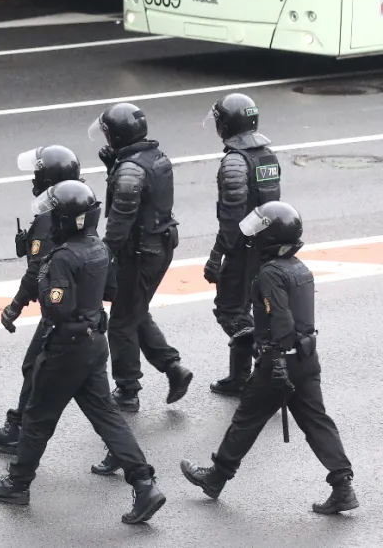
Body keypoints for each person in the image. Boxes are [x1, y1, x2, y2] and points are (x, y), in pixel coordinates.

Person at [0, 179, 167, 526]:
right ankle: (144, 483)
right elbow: (110, 290)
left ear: (67, 220)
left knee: (37, 417)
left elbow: (58, 309)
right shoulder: (99, 248)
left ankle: (18, 483)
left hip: (65, 347)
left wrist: (43, 280)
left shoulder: (62, 257)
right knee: (107, 417)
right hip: (95, 343)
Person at [181, 201, 357, 515]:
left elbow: (281, 320)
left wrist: (274, 361)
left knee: (246, 420)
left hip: (279, 360)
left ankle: (216, 478)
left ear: (270, 237)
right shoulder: (300, 268)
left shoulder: (270, 273)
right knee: (317, 421)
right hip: (306, 359)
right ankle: (343, 486)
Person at [89, 102, 193, 414]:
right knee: (135, 311)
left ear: (117, 136)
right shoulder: (155, 157)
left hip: (139, 253)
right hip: (159, 246)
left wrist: (102, 260)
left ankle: (127, 390)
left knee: (121, 322)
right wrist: (113, 168)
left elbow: (120, 224)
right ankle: (173, 367)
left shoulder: (130, 170)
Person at [0, 144, 81, 454]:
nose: (33, 180)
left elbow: (38, 272)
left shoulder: (52, 218)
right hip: (78, 307)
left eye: (37, 174)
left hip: (62, 311)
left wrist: (14, 306)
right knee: (92, 394)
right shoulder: (75, 204)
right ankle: (121, 451)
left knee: (36, 367)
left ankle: (19, 431)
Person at [202, 93, 280, 397]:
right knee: (246, 308)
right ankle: (240, 377)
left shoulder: (235, 161)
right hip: (265, 243)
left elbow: (233, 221)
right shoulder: (266, 154)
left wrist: (216, 257)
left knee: (231, 311)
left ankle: (269, 370)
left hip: (244, 248)